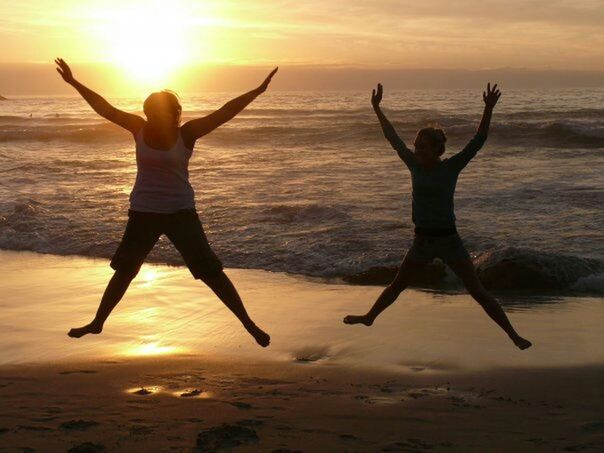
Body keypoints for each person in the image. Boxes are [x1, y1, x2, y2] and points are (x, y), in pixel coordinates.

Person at [55, 58, 276, 347]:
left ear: (174, 113)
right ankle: (98, 323)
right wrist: (74, 82)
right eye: (150, 111)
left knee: (211, 272)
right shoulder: (138, 128)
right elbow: (104, 108)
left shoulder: (188, 133)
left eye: (159, 112)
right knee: (125, 271)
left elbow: (224, 112)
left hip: (180, 213)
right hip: (143, 212)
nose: (152, 116)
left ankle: (249, 324)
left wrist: (257, 91)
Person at [344, 82, 532, 350]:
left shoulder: (451, 167)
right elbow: (392, 138)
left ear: (437, 150)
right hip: (421, 241)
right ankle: (370, 317)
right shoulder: (414, 166)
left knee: (477, 291)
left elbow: (478, 141)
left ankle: (514, 336)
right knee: (397, 285)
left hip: (449, 241)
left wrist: (488, 109)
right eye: (417, 147)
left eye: (423, 148)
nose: (418, 151)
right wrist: (377, 108)